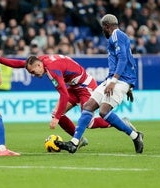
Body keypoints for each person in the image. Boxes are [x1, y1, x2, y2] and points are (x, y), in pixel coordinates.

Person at [0, 55, 136, 148]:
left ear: (39, 65)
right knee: (57, 113)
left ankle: (122, 123)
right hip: (74, 87)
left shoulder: (52, 69)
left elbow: (63, 94)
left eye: (34, 72)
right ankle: (79, 140)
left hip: (85, 86)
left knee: (89, 122)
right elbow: (18, 63)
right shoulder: (38, 61)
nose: (34, 75)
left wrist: (56, 119)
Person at [55, 14, 144, 154]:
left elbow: (123, 59)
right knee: (89, 106)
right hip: (113, 79)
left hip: (120, 80)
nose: (102, 30)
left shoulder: (117, 36)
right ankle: (74, 143)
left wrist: (117, 82)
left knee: (103, 112)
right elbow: (122, 61)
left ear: (107, 26)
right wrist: (114, 81)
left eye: (103, 27)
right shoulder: (113, 40)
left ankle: (135, 135)